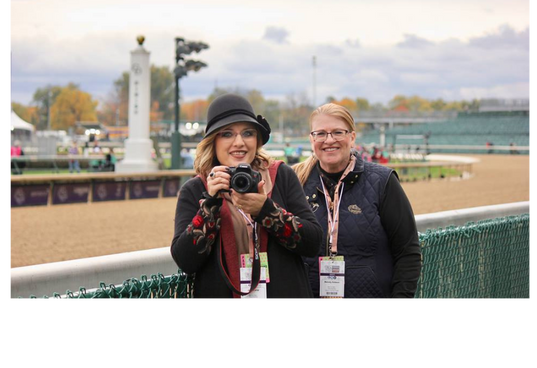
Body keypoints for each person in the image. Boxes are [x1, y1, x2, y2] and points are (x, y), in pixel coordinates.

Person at [171, 94, 322, 301]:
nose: (239, 142)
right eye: (227, 134)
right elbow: (186, 260)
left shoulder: (280, 176)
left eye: (248, 133)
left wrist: (266, 211)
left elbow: (313, 243)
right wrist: (210, 204)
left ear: (257, 140)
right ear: (213, 141)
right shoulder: (196, 189)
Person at [294, 103, 421, 301]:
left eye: (338, 132)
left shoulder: (382, 181)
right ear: (311, 139)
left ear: (352, 137)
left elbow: (408, 252)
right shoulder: (295, 183)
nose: (329, 140)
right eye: (321, 133)